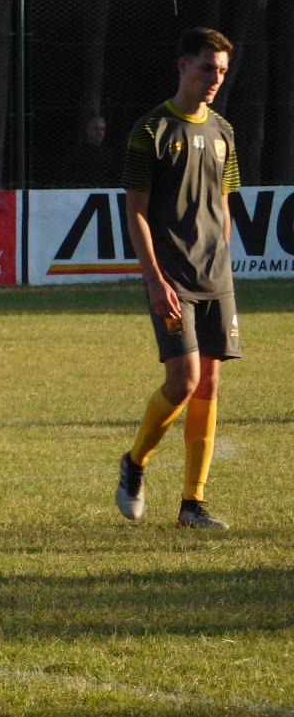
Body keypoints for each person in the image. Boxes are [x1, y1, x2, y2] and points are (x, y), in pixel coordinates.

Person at [115, 27, 241, 530]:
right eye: (208, 68)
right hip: (171, 278)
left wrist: (222, 259)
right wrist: (154, 278)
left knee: (209, 382)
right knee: (183, 380)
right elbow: (137, 212)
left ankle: (193, 504)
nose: (215, 79)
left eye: (223, 71)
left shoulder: (225, 132)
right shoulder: (150, 131)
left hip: (216, 278)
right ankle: (135, 462)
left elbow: (223, 204)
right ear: (183, 66)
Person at [62, 114, 122, 187]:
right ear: (87, 130)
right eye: (96, 128)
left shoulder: (110, 152)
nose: (99, 132)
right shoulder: (78, 152)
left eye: (102, 129)